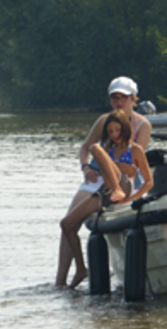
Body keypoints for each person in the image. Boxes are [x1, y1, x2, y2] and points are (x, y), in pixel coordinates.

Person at [55, 76, 154, 288]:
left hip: (123, 179)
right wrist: (86, 167)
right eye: (114, 98)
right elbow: (85, 147)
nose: (118, 102)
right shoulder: (104, 121)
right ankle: (61, 281)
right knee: (69, 220)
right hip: (98, 176)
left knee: (107, 166)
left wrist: (111, 165)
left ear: (133, 99)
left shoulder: (142, 126)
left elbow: (134, 166)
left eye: (123, 98)